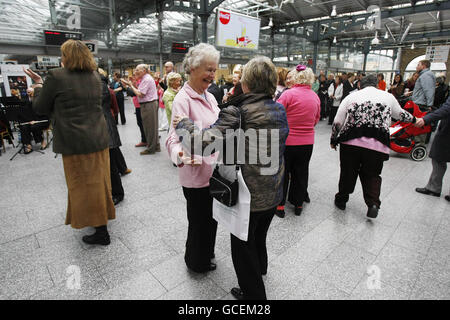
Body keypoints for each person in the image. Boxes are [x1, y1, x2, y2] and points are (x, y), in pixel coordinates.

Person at [173, 55, 289, 301]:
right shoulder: (278, 108)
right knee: (259, 236)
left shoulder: (238, 111)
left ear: (246, 83)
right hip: (274, 188)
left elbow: (202, 145)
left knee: (243, 246)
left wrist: (184, 124)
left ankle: (254, 295)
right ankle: (262, 268)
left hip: (249, 195)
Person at [25, 39, 114, 245]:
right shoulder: (94, 76)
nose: (61, 58)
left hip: (75, 141)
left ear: (67, 57)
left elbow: (40, 107)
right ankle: (101, 221)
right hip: (99, 137)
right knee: (100, 182)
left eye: (62, 54)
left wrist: (38, 85)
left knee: (82, 185)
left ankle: (101, 231)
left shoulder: (56, 76)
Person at [165, 43, 221, 274]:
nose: (212, 74)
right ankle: (196, 262)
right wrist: (181, 155)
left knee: (211, 219)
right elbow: (172, 138)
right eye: (208, 69)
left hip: (214, 172)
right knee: (199, 222)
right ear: (193, 68)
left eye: (214, 69)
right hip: (196, 175)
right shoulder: (183, 99)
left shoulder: (210, 96)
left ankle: (206, 253)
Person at [331, 74, 416, 219]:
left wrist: (334, 139)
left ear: (360, 85)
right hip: (377, 143)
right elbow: (401, 114)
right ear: (377, 84)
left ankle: (342, 199)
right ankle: (373, 204)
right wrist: (415, 119)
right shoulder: (388, 97)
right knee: (372, 174)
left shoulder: (352, 97)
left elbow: (338, 121)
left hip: (351, 142)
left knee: (347, 171)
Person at [276, 65, 320, 218]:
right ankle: (298, 203)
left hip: (288, 141)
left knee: (283, 172)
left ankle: (280, 205)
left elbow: (277, 115)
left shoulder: (288, 95)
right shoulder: (315, 96)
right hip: (307, 142)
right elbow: (316, 119)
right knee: (301, 173)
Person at [414, 96, 450, 202]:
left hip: (447, 132)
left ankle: (434, 188)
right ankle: (434, 187)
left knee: (438, 157)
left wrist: (426, 119)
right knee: (439, 158)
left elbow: (447, 109)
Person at [98, 69, 125, 205]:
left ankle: (117, 193)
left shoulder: (101, 85)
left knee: (111, 162)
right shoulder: (102, 84)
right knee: (112, 158)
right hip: (104, 126)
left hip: (104, 127)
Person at [121, 64, 160, 155]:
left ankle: (151, 149)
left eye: (137, 70)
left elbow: (140, 94)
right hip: (150, 104)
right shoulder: (146, 78)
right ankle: (156, 146)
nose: (135, 72)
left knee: (149, 127)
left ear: (144, 70)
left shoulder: (146, 79)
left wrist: (130, 85)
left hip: (148, 104)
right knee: (153, 127)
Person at [19, 88, 49, 154]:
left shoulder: (41, 100)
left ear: (34, 93)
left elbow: (44, 113)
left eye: (30, 92)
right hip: (31, 120)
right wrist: (29, 120)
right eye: (27, 92)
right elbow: (26, 113)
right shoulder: (26, 101)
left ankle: (42, 142)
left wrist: (35, 120)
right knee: (24, 127)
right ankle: (28, 145)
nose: (28, 94)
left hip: (42, 120)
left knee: (34, 126)